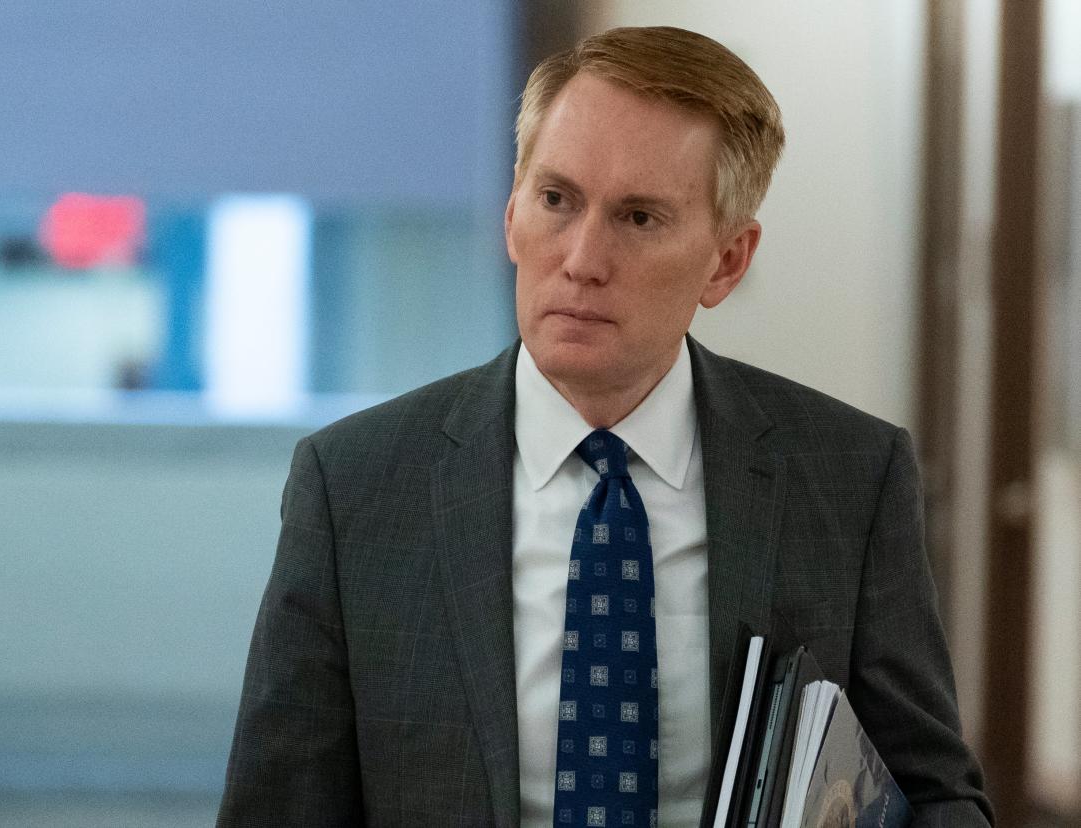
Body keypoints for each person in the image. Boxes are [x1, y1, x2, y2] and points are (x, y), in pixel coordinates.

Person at [217, 26, 993, 828]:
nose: (582, 257)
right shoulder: (356, 487)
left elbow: (936, 793)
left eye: (639, 218)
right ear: (512, 209)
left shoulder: (851, 477)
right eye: (557, 200)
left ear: (727, 260)